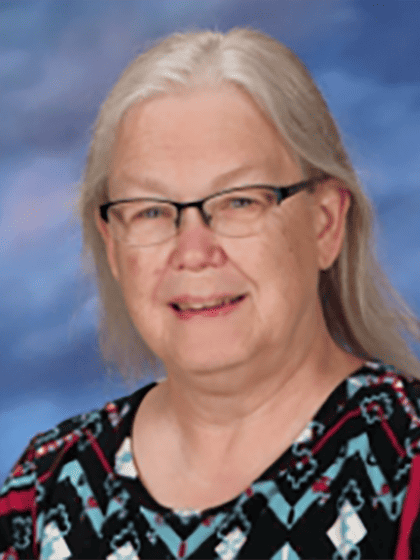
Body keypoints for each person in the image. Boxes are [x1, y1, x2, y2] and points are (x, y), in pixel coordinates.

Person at [1, 26, 420, 560]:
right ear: (112, 243)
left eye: (239, 202)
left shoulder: (407, 466)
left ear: (325, 224)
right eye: (151, 211)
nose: (194, 251)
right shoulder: (45, 490)